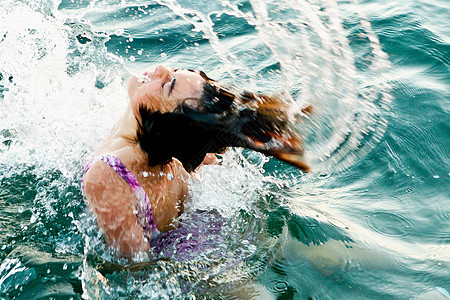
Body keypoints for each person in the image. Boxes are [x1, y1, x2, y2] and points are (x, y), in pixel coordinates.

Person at [82, 65, 308, 258]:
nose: (162, 68)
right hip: (207, 232)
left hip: (193, 263)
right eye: (175, 72)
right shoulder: (179, 152)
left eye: (167, 85)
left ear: (161, 126)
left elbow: (134, 266)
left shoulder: (109, 174)